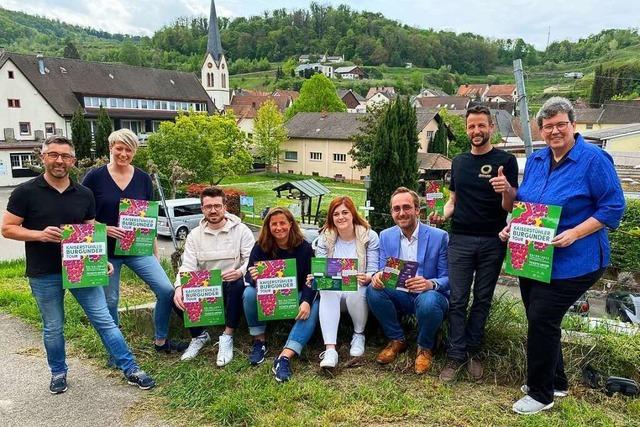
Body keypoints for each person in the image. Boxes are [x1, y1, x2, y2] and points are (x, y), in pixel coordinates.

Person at [499, 97, 625, 415]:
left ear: (573, 125)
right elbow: (528, 204)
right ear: (541, 130)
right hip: (534, 255)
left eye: (561, 124)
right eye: (548, 126)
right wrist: (512, 225)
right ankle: (556, 381)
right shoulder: (539, 161)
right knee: (540, 319)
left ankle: (541, 394)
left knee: (542, 318)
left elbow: (613, 206)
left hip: (577, 259)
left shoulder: (594, 160)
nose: (555, 131)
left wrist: (575, 233)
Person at [1, 136, 154, 394]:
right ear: (43, 157)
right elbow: (7, 228)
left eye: (65, 156)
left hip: (81, 267)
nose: (59, 160)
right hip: (44, 271)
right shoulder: (25, 192)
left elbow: (89, 228)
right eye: (53, 155)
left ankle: (130, 368)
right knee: (53, 326)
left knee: (104, 319)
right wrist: (38, 234)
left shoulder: (84, 193)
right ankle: (58, 372)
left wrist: (100, 257)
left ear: (73, 161)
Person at [430, 104, 519, 382]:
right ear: (466, 129)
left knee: (482, 299)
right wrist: (440, 215)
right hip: (460, 240)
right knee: (457, 300)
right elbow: (453, 201)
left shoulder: (506, 161)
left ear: (491, 127)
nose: (476, 131)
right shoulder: (458, 162)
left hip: (493, 241)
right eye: (471, 126)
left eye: (482, 125)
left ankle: (473, 351)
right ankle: (455, 354)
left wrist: (506, 190)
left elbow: (510, 206)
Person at [82, 129, 186, 356]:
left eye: (129, 149)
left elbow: (148, 218)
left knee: (166, 290)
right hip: (105, 250)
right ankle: (115, 350)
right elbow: (81, 215)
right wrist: (104, 229)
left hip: (137, 248)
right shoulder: (94, 177)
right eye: (119, 148)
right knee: (110, 300)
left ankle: (161, 341)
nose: (123, 153)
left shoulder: (142, 179)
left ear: (134, 152)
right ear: (110, 148)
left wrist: (155, 250)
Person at [367, 187, 449, 374]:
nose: (402, 213)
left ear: (417, 210)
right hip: (400, 293)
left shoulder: (439, 237)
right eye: (396, 209)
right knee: (373, 290)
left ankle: (424, 348)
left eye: (406, 207)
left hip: (430, 295)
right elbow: (382, 269)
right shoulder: (386, 236)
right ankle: (397, 340)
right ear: (391, 213)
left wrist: (431, 284)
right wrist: (378, 276)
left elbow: (449, 277)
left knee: (428, 300)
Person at [173, 186, 255, 365]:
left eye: (217, 206)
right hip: (206, 288)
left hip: (231, 285)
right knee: (175, 296)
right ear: (202, 209)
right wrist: (179, 287)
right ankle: (199, 335)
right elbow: (187, 266)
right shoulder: (194, 235)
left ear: (225, 207)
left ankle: (227, 336)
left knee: (238, 284)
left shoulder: (242, 230)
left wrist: (240, 271)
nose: (213, 210)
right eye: (208, 206)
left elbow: (252, 259)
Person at [243, 207, 316, 382]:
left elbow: (312, 280)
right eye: (273, 224)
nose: (278, 228)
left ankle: (285, 356)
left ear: (290, 224)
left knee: (315, 304)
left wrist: (306, 301)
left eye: (282, 223)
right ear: (268, 226)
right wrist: (253, 277)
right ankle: (259, 341)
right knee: (249, 293)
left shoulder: (304, 248)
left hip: (295, 295)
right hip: (268, 296)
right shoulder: (260, 246)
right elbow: (248, 274)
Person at [312, 196, 379, 369]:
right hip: (335, 290)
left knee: (357, 289)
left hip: (358, 288)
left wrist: (368, 276)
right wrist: (316, 277)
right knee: (326, 288)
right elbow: (321, 269)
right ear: (331, 218)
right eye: (336, 214)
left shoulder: (369, 236)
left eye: (345, 212)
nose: (340, 217)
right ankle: (330, 349)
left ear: (352, 214)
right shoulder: (324, 238)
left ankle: (358, 334)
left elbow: (373, 268)